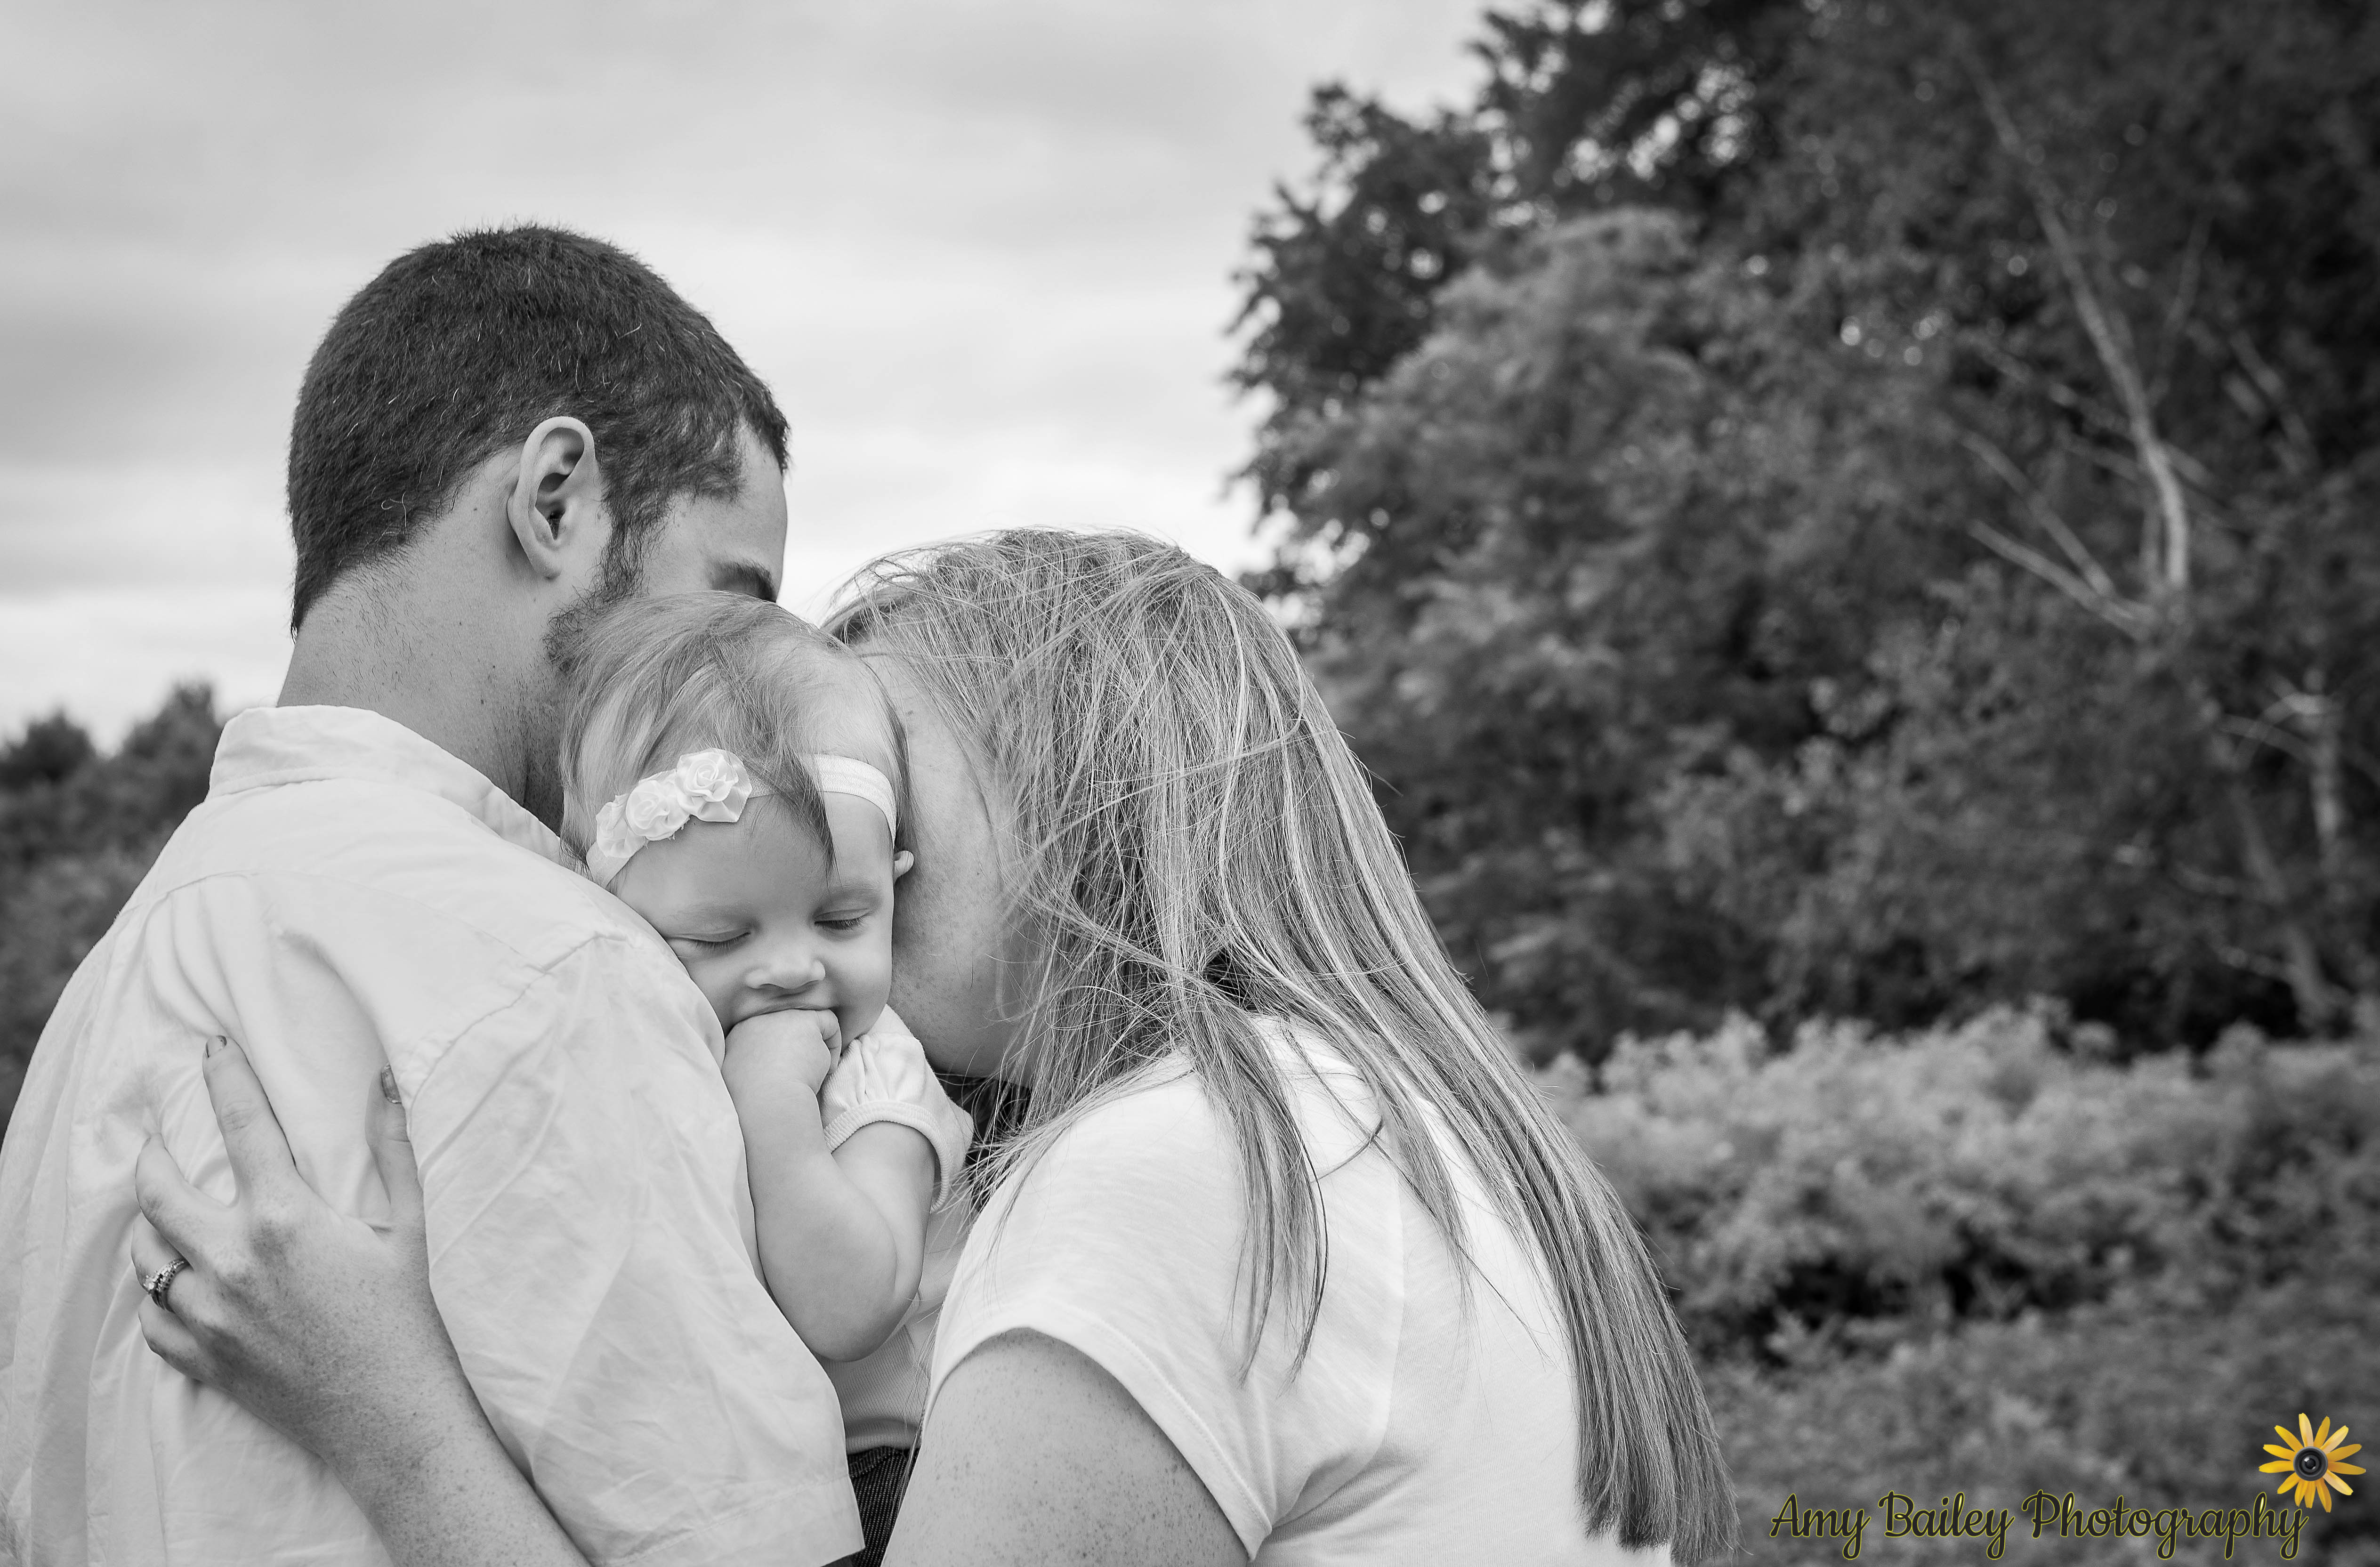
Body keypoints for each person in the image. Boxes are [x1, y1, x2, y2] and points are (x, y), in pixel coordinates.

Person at [128, 529, 1740, 1564]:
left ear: (1071, 768)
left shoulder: (1175, 1170)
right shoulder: (1372, 1124)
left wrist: (393, 1419)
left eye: (882, 769)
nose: (830, 835)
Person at [0, 226, 873, 1566]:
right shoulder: (556, 968)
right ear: (556, 499)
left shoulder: (109, 993)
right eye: (731, 597)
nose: (742, 672)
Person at [555, 591, 976, 1559]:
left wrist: (771, 1099)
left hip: (895, 1472)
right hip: (739, 1462)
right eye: (719, 935)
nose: (792, 967)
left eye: (841, 920)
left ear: (894, 886)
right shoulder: (659, 1040)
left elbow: (849, 1303)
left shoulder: (875, 1076)